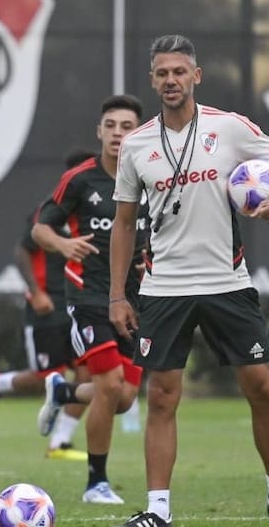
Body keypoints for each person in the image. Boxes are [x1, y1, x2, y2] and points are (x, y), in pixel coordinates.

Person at [110, 34, 269, 527]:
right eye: (162, 73)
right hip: (164, 288)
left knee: (263, 387)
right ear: (153, 79)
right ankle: (158, 510)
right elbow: (123, 223)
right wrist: (117, 294)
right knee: (161, 395)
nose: (171, 80)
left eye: (180, 71)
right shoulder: (136, 144)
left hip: (227, 279)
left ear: (196, 76)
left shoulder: (231, 129)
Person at [31, 94, 147, 505]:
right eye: (111, 126)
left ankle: (63, 394)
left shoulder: (151, 178)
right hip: (88, 297)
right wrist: (63, 245)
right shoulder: (81, 179)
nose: (118, 133)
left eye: (127, 126)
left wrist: (149, 260)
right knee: (109, 383)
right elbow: (40, 229)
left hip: (137, 303)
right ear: (100, 132)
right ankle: (96, 482)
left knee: (125, 398)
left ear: (140, 132)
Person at [0, 149, 93, 462]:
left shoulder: (93, 213)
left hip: (78, 303)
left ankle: (60, 443)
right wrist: (35, 291)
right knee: (48, 376)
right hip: (47, 305)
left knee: (88, 376)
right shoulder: (49, 210)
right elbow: (22, 252)